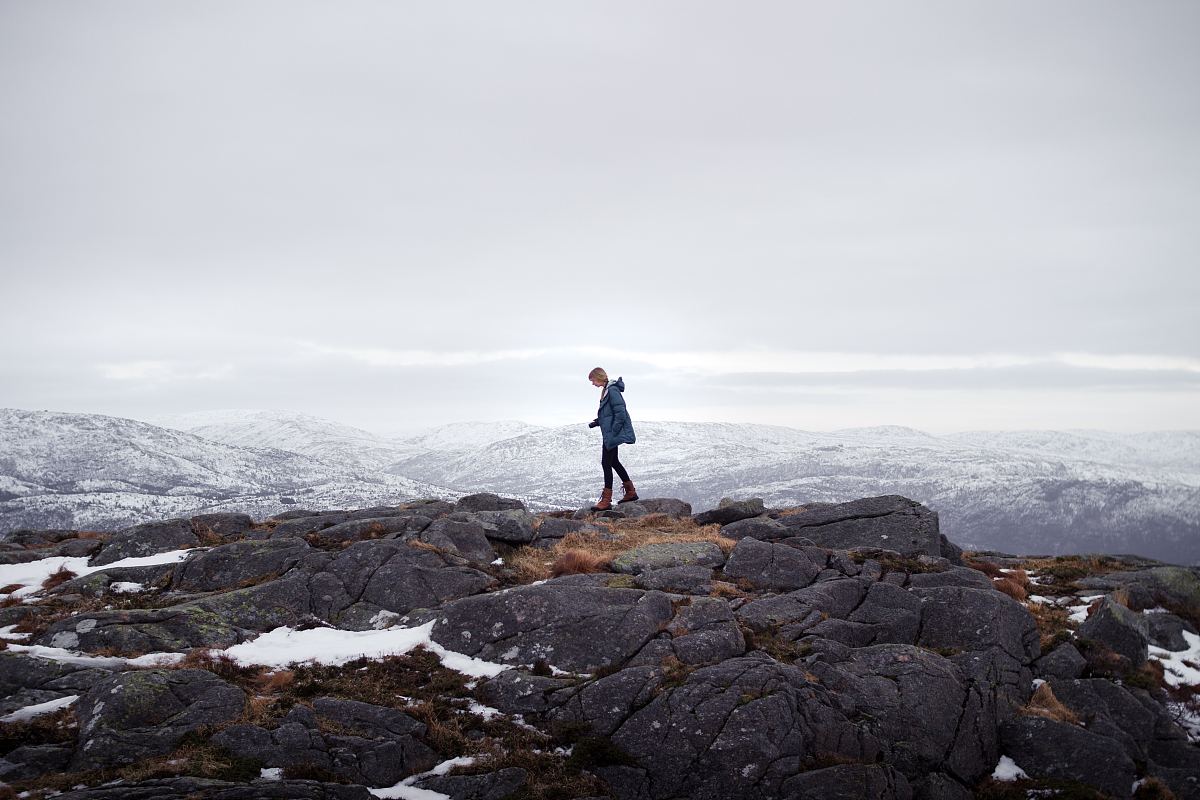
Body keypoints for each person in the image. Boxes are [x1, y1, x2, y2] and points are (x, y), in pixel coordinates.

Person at [587, 367, 637, 511]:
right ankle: (631, 492)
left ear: (599, 377)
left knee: (606, 463)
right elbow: (610, 413)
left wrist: (613, 430)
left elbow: (620, 412)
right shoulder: (607, 390)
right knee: (613, 461)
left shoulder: (612, 390)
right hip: (609, 432)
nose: (593, 384)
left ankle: (606, 500)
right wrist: (599, 421)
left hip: (611, 433)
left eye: (593, 380)